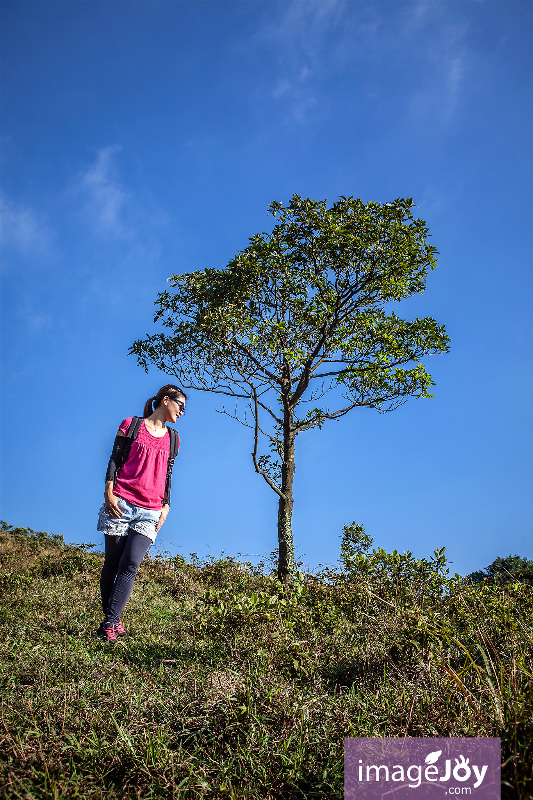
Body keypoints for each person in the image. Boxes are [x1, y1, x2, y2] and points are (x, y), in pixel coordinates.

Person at [94, 384, 186, 642]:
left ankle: (109, 623)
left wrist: (166, 504)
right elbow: (114, 458)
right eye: (180, 405)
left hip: (151, 509)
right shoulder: (131, 425)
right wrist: (109, 491)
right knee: (113, 563)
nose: (182, 411)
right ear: (165, 400)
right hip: (121, 502)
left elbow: (167, 474)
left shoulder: (174, 439)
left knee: (131, 563)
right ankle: (112, 621)